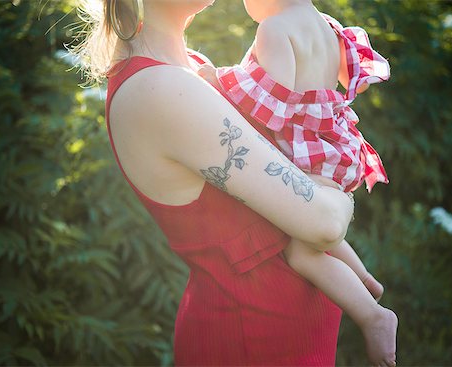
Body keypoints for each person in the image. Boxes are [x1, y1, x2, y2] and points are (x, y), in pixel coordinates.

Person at [72, 0, 389, 365]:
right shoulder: (161, 89)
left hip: (283, 338)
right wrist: (342, 172)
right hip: (251, 342)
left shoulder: (193, 70)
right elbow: (325, 224)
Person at [195, 0, 398, 365]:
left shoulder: (273, 29)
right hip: (334, 144)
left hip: (311, 153)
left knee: (302, 252)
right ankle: (364, 279)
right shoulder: (324, 23)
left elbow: (271, 103)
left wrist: (217, 81)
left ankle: (373, 316)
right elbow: (344, 81)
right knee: (315, 233)